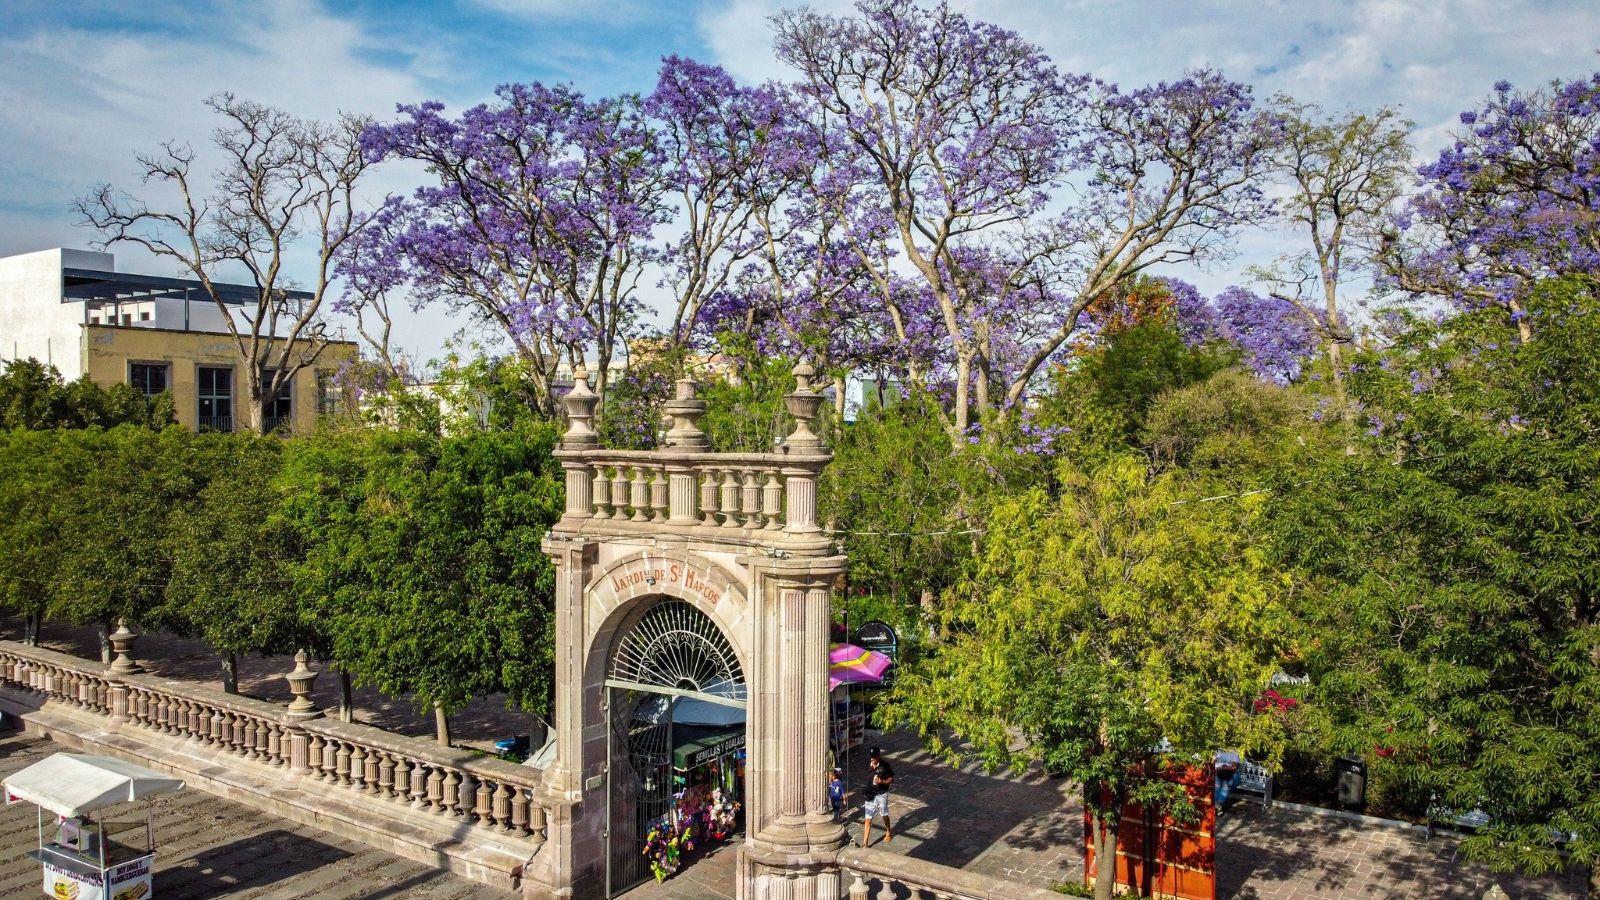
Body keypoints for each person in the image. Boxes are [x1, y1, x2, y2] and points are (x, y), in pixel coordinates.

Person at [861, 748, 895, 846]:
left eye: (874, 757)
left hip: (881, 793)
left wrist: (882, 781)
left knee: (884, 814)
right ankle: (865, 843)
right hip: (870, 794)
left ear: (878, 757)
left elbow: (892, 779)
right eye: (871, 757)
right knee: (868, 818)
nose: (872, 759)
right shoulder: (868, 763)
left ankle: (888, 831)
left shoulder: (885, 765)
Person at [1214, 749, 1242, 815]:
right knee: (1217, 788)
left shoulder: (1234, 753)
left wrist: (1222, 768)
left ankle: (1218, 805)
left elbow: (1234, 767)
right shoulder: (1219, 751)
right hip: (1219, 773)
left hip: (1230, 775)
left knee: (1225, 787)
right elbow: (1214, 762)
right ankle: (1217, 806)